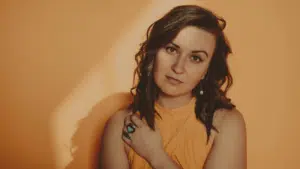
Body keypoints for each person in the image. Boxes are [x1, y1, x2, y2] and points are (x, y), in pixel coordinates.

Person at [99, 4, 246, 169]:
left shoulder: (226, 123)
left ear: (207, 69)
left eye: (195, 58)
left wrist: (156, 155)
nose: (178, 67)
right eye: (171, 49)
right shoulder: (121, 125)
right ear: (154, 53)